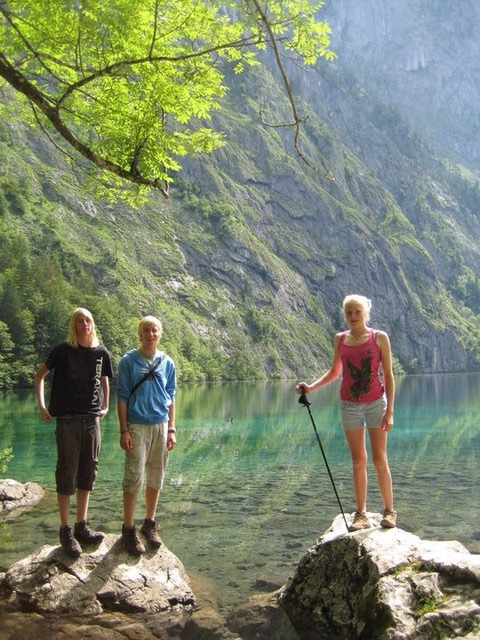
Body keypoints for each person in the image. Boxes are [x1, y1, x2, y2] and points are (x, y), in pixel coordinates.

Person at [295, 294, 396, 531]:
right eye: (349, 312)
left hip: (375, 404)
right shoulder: (340, 339)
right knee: (358, 459)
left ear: (365, 313)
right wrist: (311, 387)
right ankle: (360, 515)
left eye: (357, 312)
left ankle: (389, 511)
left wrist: (390, 410)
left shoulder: (379, 338)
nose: (352, 316)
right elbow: (335, 372)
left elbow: (389, 376)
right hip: (349, 405)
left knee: (380, 457)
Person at [35, 307, 114, 557]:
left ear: (93, 323)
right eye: (79, 321)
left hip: (92, 421)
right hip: (67, 420)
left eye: (88, 320)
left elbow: (104, 380)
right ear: (74, 325)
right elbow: (39, 377)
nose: (84, 324)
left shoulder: (101, 353)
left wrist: (106, 406)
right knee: (67, 471)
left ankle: (82, 526)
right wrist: (42, 406)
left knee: (88, 470)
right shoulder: (62, 351)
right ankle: (65, 530)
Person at [117, 315, 177, 556]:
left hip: (161, 425)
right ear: (140, 334)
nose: (151, 334)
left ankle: (149, 524)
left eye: (154, 330)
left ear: (160, 334)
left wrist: (172, 428)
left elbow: (172, 397)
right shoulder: (129, 361)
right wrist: (124, 430)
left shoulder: (168, 362)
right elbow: (121, 397)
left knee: (156, 475)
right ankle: (128, 529)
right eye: (146, 330)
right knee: (133, 477)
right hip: (137, 426)